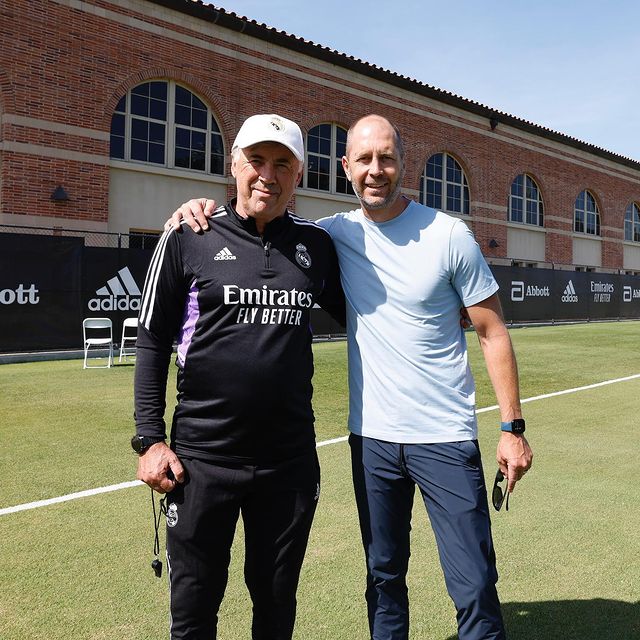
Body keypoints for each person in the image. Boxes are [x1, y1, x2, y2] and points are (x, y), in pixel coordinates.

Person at [169, 114, 533, 640]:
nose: (375, 170)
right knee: (384, 578)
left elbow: (492, 332)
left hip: (445, 436)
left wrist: (512, 428)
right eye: (363, 159)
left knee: (474, 584)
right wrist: (194, 206)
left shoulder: (450, 235)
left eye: (386, 157)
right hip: (373, 440)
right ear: (345, 168)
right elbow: (262, 229)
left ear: (404, 164)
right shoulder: (333, 235)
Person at [133, 113, 345, 640]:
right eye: (255, 161)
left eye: (282, 165)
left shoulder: (316, 246)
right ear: (233, 165)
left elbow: (373, 310)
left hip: (288, 462)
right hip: (202, 460)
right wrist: (149, 438)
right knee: (195, 607)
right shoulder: (188, 233)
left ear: (299, 176)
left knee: (275, 605)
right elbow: (153, 337)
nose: (266, 176)